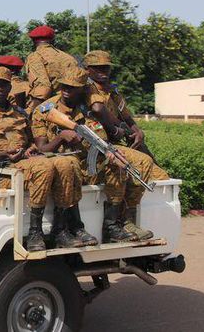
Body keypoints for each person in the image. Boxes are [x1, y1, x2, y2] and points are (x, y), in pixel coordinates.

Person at [0, 67, 94, 251]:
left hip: (26, 164)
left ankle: (60, 229)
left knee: (67, 162)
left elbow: (34, 143)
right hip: (1, 173)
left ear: (10, 88)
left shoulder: (21, 114)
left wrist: (29, 150)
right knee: (43, 166)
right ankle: (35, 231)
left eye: (3, 85)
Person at [32, 67, 163, 243]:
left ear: (82, 89)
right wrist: (61, 137)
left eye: (72, 87)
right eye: (63, 86)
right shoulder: (46, 110)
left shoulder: (89, 110)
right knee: (69, 165)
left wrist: (110, 150)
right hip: (65, 165)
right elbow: (42, 149)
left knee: (125, 161)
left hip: (89, 164)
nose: (66, 91)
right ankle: (71, 228)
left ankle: (115, 225)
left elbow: (101, 139)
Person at [84, 50, 169, 239]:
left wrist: (137, 131)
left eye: (105, 67)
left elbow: (127, 116)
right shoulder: (87, 89)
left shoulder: (112, 91)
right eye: (97, 68)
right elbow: (98, 110)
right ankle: (124, 220)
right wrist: (117, 126)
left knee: (163, 179)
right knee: (141, 163)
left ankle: (132, 217)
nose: (103, 72)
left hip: (118, 144)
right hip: (99, 146)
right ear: (87, 70)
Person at [25, 25, 79, 114]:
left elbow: (42, 88)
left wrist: (30, 113)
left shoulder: (35, 57)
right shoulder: (69, 58)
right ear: (52, 40)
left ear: (33, 41)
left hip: (50, 109)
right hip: (72, 108)